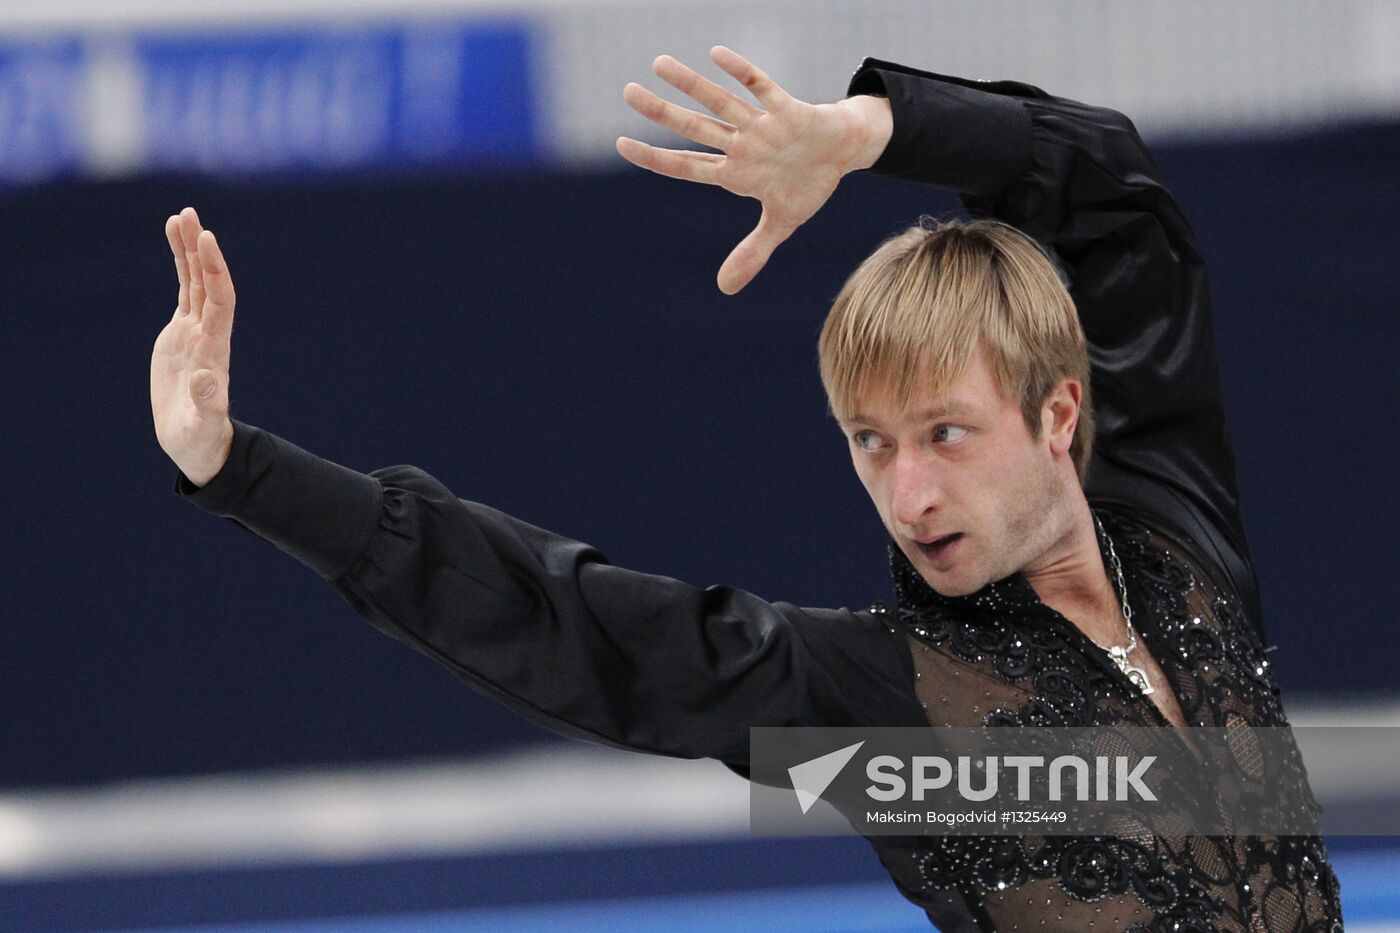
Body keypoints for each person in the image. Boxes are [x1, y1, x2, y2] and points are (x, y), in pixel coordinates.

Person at [151, 47, 1343, 931]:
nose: (908, 490)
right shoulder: (890, 706)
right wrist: (235, 466)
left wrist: (872, 131)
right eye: (869, 443)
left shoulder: (1174, 531)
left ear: (1057, 415)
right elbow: (570, 628)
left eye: (943, 432)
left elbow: (1106, 188)